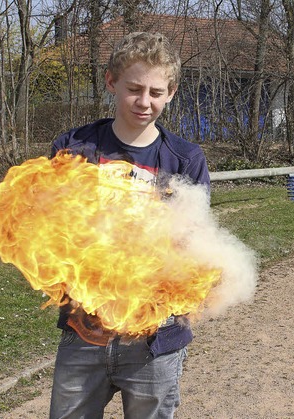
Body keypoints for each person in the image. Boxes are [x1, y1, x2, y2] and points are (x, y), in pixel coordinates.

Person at [48, 32, 210, 418]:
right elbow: (53, 227)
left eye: (156, 92)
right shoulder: (74, 147)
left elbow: (194, 243)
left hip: (155, 338)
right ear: (110, 82)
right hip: (84, 329)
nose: (144, 102)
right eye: (134, 89)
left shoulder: (185, 159)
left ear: (171, 92)